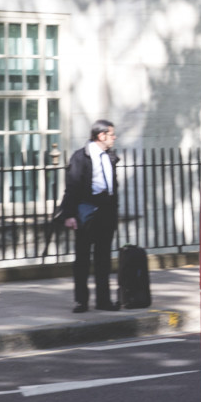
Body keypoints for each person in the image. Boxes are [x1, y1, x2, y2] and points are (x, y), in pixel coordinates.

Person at [58, 120, 120, 312]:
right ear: (101, 136)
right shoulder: (81, 157)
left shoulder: (110, 157)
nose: (114, 138)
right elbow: (73, 187)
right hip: (87, 210)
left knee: (104, 258)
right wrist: (68, 214)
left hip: (106, 211)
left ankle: (103, 301)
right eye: (111, 134)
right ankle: (81, 301)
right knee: (83, 258)